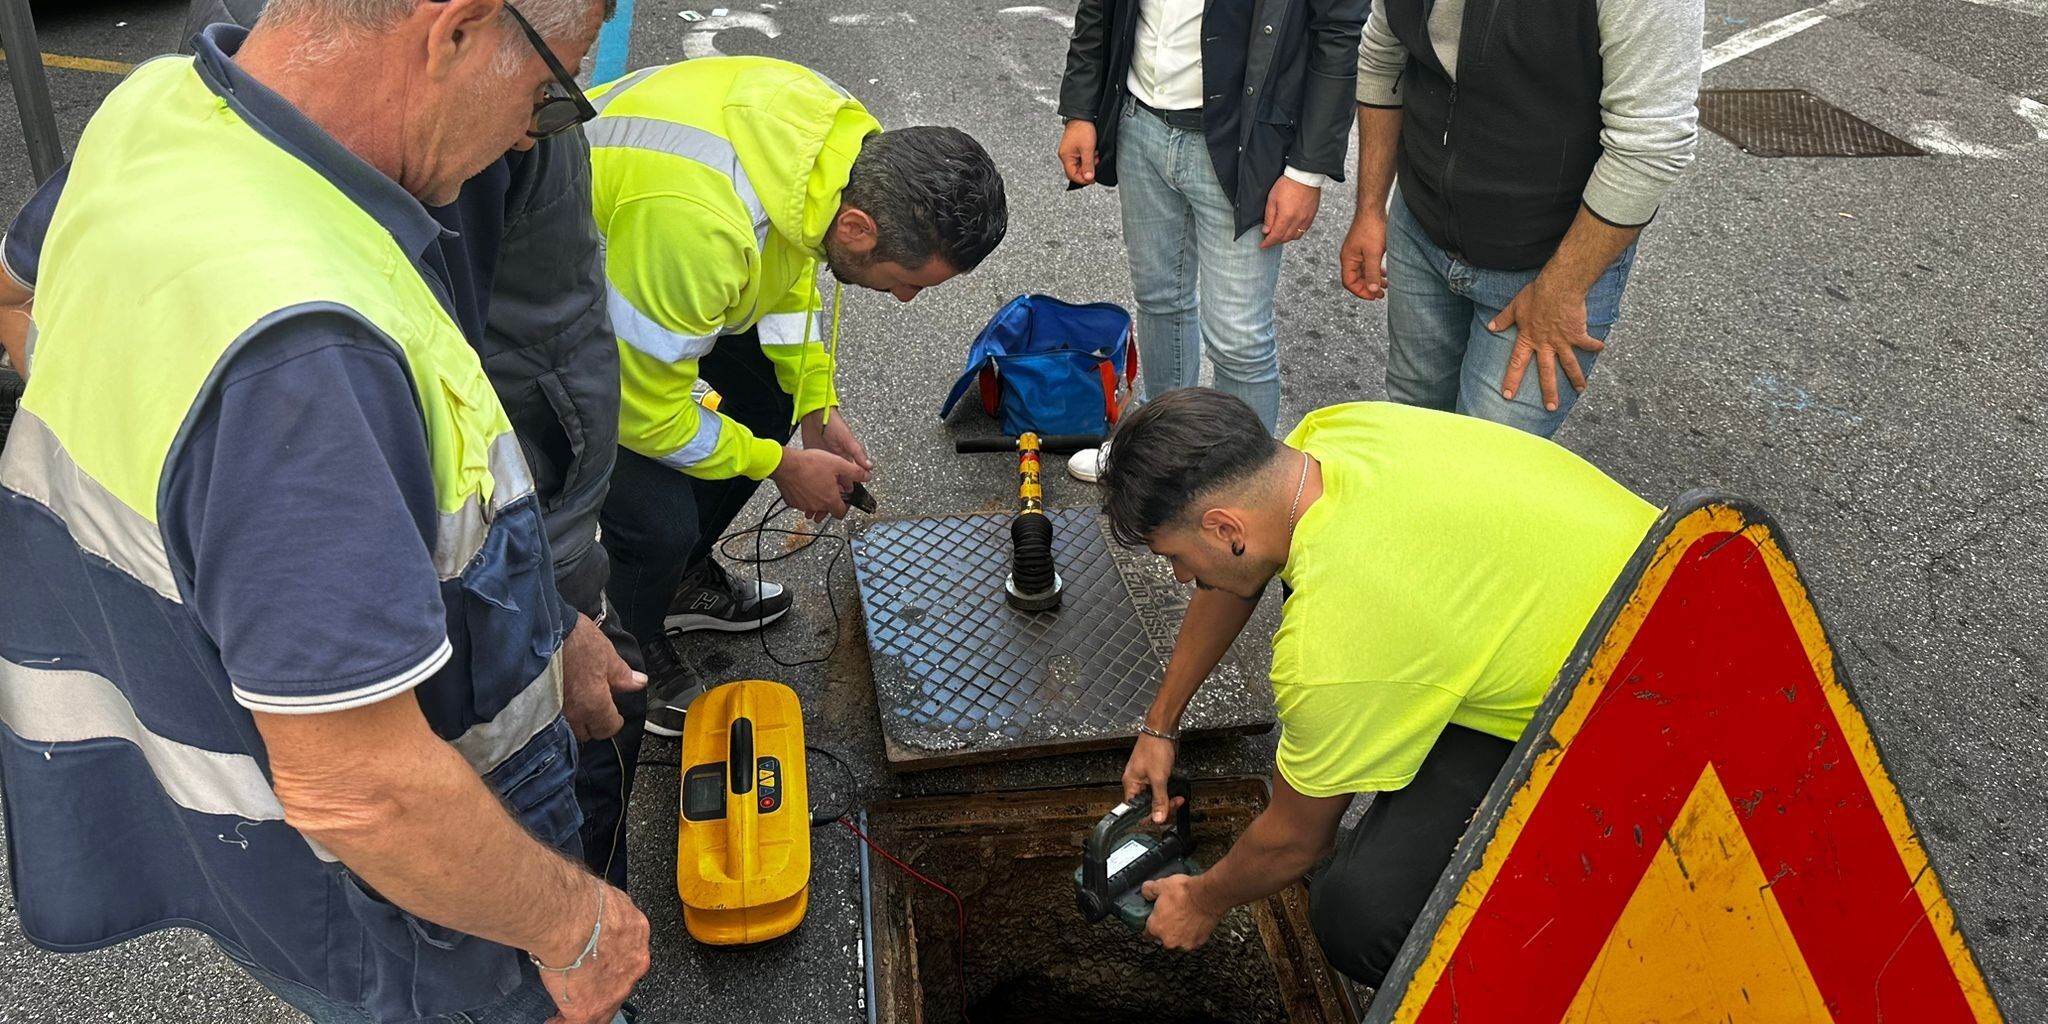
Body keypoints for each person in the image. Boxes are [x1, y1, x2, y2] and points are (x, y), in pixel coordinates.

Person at [0, 2, 652, 1021]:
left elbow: (17, 293)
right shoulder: (301, 357)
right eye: (547, 93)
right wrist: (576, 926)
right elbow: (362, 789)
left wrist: (541, 628)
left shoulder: (156, 114)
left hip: (276, 856)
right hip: (417, 920)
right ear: (459, 31)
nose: (531, 133)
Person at [1101, 388, 1658, 986]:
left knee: (1361, 917)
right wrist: (1161, 724)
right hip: (1684, 581)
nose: (1181, 576)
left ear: (1223, 525)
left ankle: (1576, 965)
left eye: (1175, 556)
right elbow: (1233, 577)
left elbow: (1295, 842)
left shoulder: (1337, 639)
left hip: (1653, 714)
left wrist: (1204, 900)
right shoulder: (1328, 440)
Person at [580, 57, 1008, 737]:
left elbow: (791, 262)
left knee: (766, 396)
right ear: (860, 229)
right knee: (652, 519)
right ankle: (628, 646)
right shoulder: (702, 224)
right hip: (566, 274)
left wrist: (815, 404)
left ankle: (682, 579)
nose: (904, 299)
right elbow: (645, 414)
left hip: (659, 254)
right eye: (908, 282)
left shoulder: (842, 147)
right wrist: (778, 464)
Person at [1337, 0, 1702, 437]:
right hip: (1419, 226)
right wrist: (1370, 209)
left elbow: (1651, 143)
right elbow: (1384, 54)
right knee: (1413, 423)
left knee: (1487, 465)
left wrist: (1560, 290)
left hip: (1548, 260)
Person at [1053, 0, 1368, 480]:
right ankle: (1161, 459)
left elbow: (1338, 32)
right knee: (1160, 300)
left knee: (1239, 339)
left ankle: (1247, 485)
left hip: (1244, 137)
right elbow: (1099, 7)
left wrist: (1306, 171)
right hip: (1140, 120)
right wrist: (1081, 109)